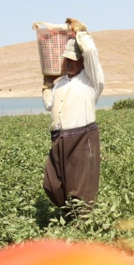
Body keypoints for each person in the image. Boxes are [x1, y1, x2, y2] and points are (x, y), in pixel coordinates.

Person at [41, 18, 104, 215]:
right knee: (51, 183)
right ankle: (69, 213)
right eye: (66, 59)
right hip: (59, 138)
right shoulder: (61, 83)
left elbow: (91, 52)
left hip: (82, 137)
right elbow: (49, 105)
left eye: (73, 59)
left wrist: (81, 33)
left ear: (82, 61)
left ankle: (81, 225)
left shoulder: (91, 80)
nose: (68, 62)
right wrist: (47, 85)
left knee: (81, 187)